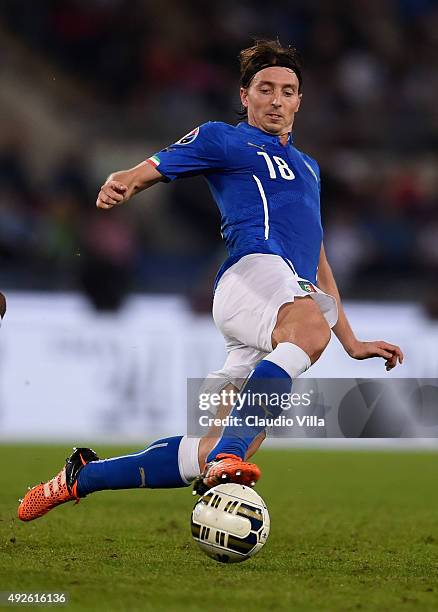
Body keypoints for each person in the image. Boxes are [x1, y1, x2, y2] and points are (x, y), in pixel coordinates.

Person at [18, 40, 403, 522]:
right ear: (245, 94)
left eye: (288, 91)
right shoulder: (224, 138)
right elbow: (155, 166)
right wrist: (127, 181)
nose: (277, 100)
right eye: (265, 89)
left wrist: (351, 342)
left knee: (208, 450)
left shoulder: (309, 168)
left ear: (300, 100)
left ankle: (81, 477)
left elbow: (319, 263)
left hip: (288, 295)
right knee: (293, 352)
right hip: (251, 274)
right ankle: (229, 457)